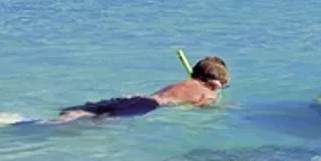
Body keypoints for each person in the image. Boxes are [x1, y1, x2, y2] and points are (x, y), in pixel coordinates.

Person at [50, 56, 230, 123]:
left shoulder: (182, 83)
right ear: (215, 84)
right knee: (99, 122)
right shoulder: (209, 92)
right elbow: (202, 106)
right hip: (147, 106)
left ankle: (44, 120)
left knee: (84, 112)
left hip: (138, 98)